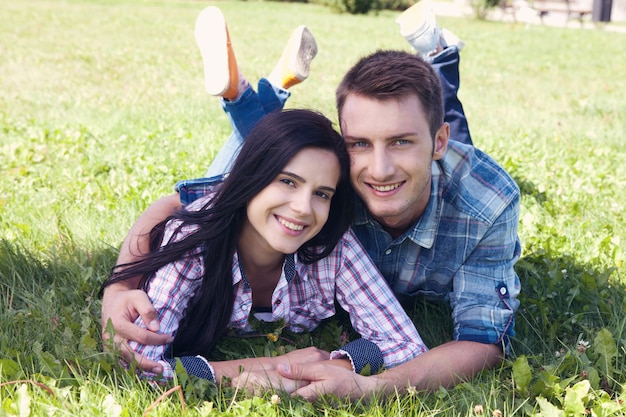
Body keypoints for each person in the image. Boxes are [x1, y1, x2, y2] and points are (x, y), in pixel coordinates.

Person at [103, 2, 521, 399]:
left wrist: (357, 375)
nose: (379, 169)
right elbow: (184, 210)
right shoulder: (330, 174)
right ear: (345, 142)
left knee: (446, 123)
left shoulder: (485, 204)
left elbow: (481, 342)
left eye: (401, 142)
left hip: (447, 173)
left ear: (436, 145)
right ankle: (253, 95)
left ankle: (439, 53)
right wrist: (119, 289)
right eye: (359, 143)